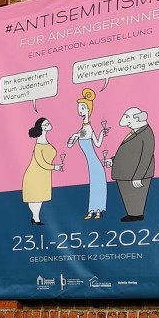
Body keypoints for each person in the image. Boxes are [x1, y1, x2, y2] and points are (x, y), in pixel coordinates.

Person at [67, 87, 109, 219]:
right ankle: (92, 210)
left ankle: (97, 210)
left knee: (97, 185)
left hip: (94, 162)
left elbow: (97, 144)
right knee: (94, 185)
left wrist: (102, 133)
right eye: (79, 107)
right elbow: (69, 145)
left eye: (83, 108)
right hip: (90, 162)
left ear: (89, 110)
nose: (80, 110)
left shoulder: (88, 128)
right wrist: (74, 136)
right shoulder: (81, 130)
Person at [110, 107, 155, 221]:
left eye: (129, 123)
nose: (129, 126)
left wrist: (138, 177)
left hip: (136, 174)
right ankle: (132, 213)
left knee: (136, 196)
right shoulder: (135, 132)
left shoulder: (146, 133)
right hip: (127, 173)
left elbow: (146, 156)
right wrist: (113, 160)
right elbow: (129, 151)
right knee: (128, 196)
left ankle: (136, 214)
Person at [22, 117, 62, 225]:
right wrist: (55, 167)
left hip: (44, 174)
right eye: (46, 124)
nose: (49, 124)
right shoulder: (39, 144)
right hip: (35, 173)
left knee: (40, 198)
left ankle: (35, 217)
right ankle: (36, 218)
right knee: (35, 197)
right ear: (42, 128)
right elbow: (41, 162)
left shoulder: (45, 141)